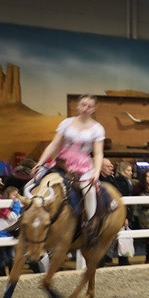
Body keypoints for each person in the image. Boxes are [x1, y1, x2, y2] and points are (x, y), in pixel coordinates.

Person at [31, 95, 106, 237]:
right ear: (78, 105)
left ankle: (90, 224)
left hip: (83, 164)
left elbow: (98, 153)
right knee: (35, 181)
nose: (85, 108)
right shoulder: (66, 123)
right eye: (83, 105)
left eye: (89, 106)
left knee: (87, 189)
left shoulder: (97, 129)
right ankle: (28, 216)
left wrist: (96, 172)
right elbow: (53, 144)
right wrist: (40, 163)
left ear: (94, 109)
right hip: (62, 161)